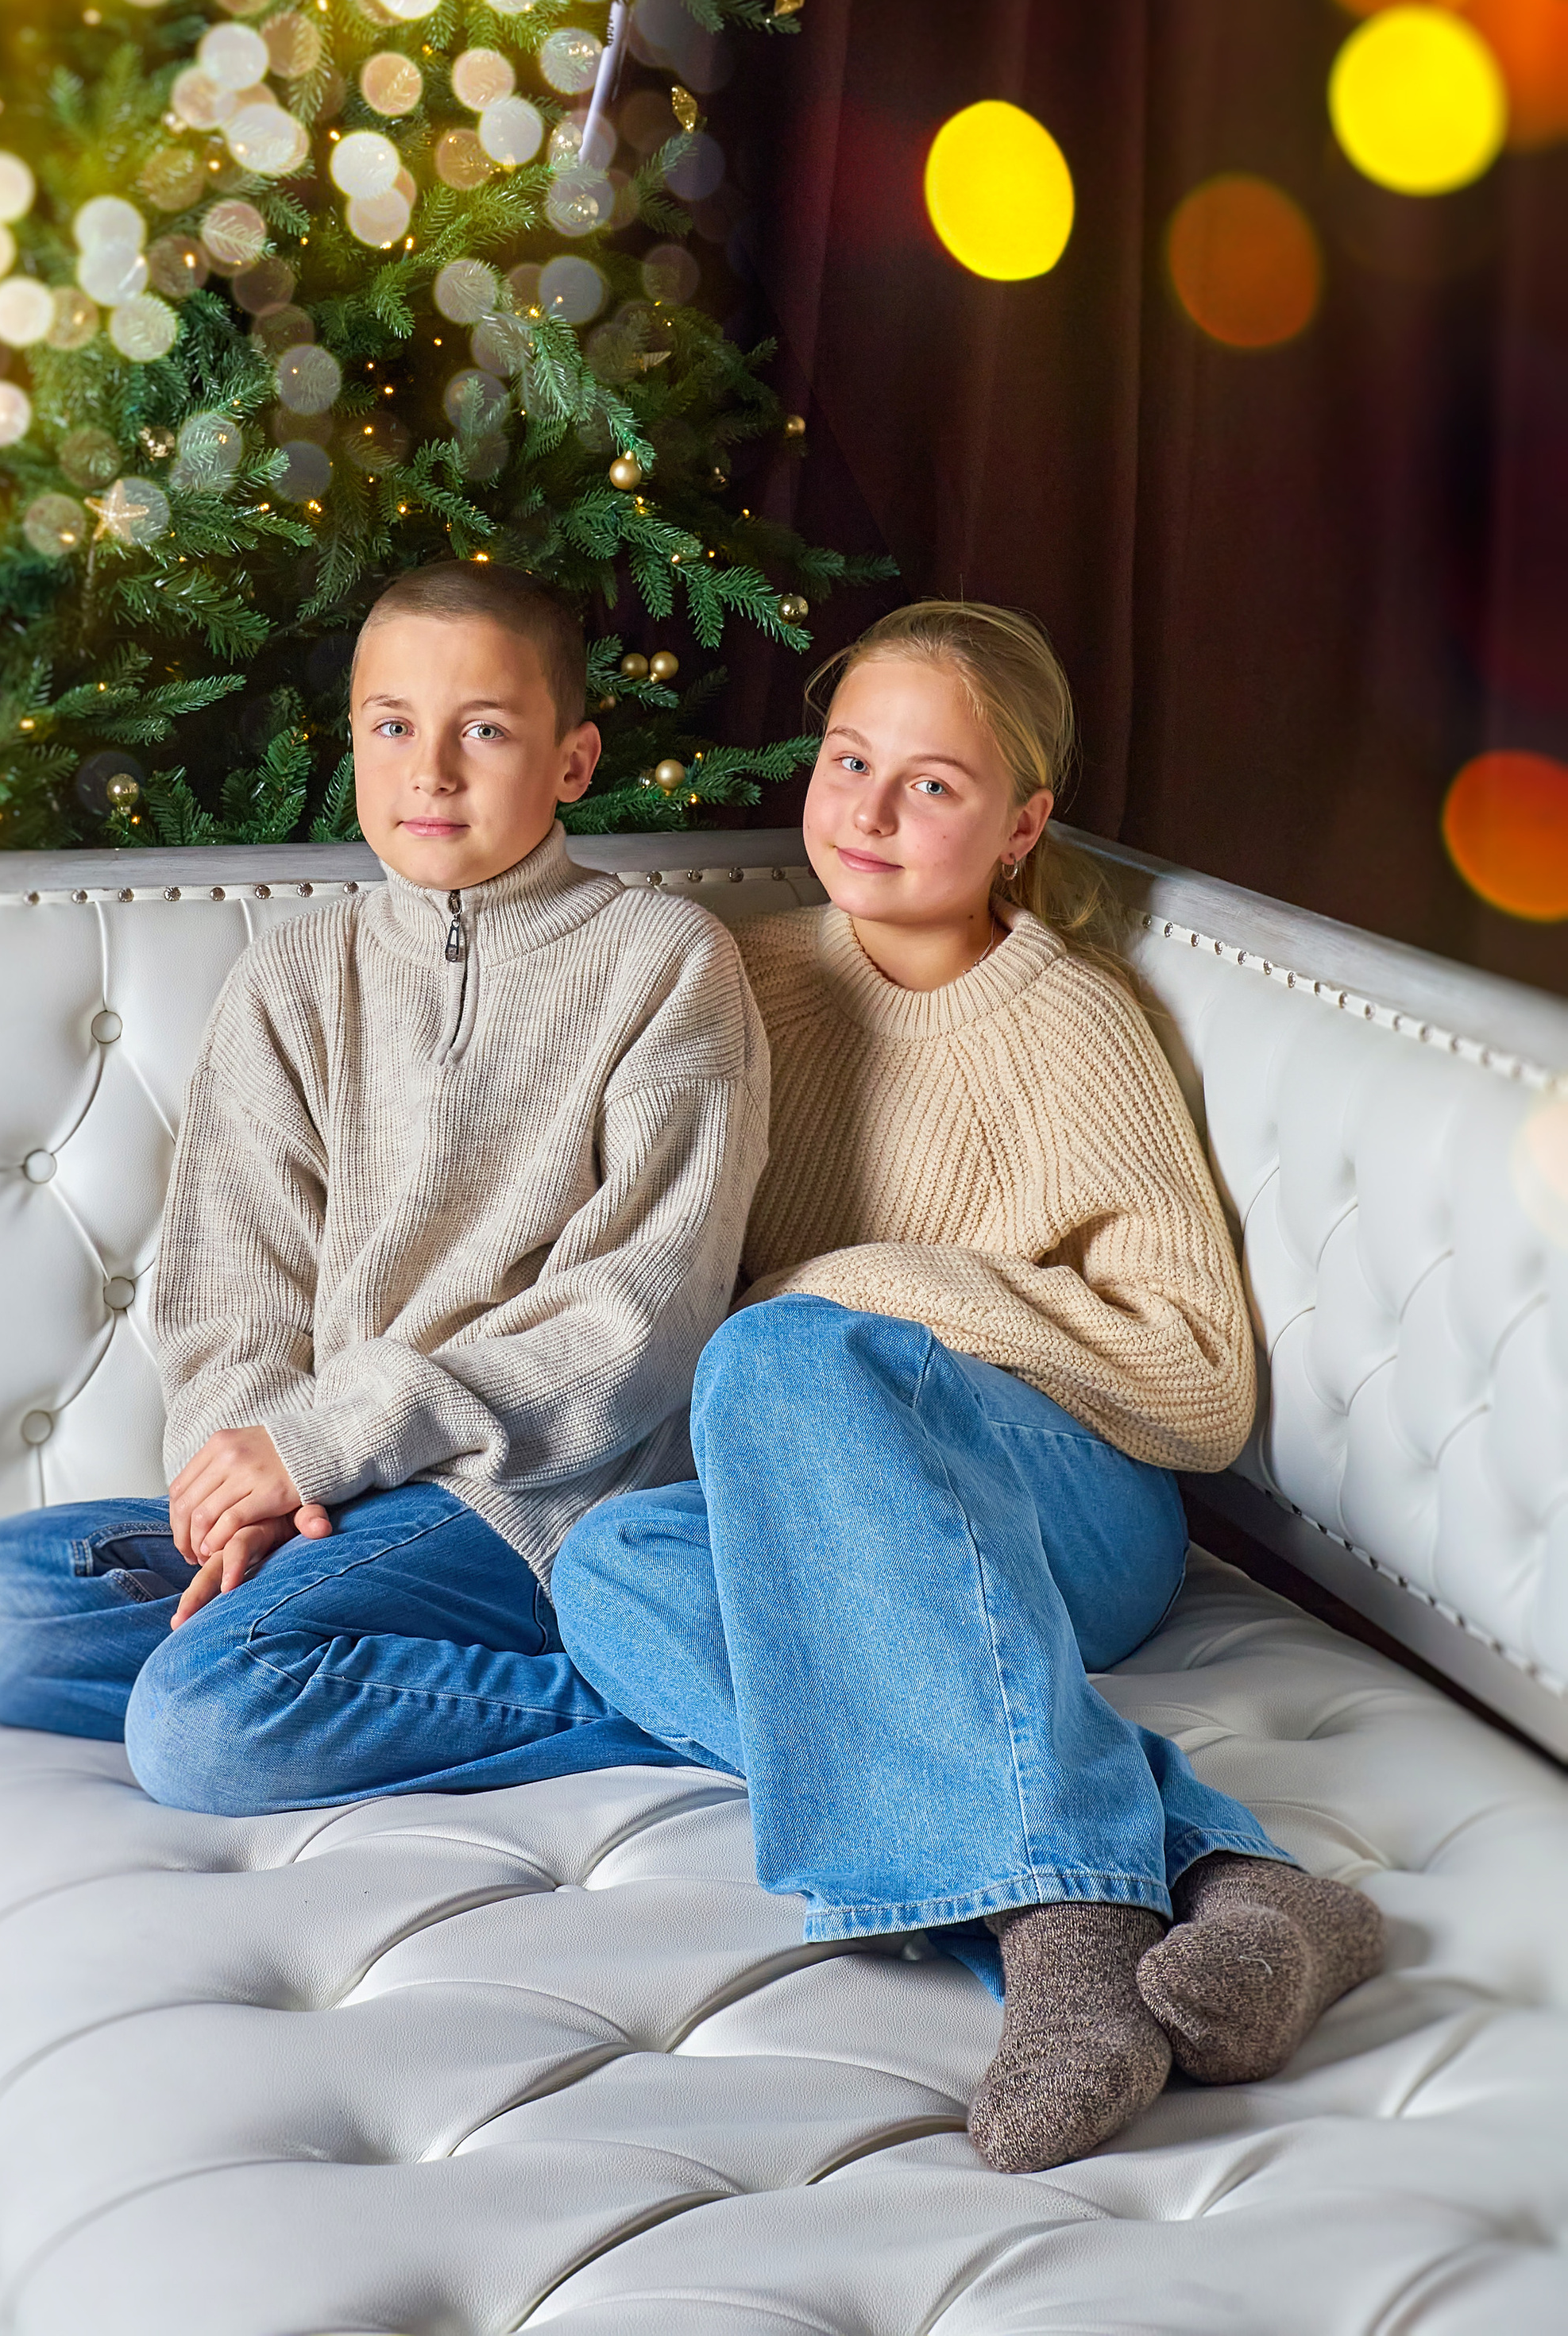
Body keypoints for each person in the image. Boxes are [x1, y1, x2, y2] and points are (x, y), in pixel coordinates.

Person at [550, 600, 1385, 2176]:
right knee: (607, 1569)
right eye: (845, 758)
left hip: (1068, 1504)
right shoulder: (739, 982)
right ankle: (1230, 1881)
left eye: (927, 784)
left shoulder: (1064, 1025)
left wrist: (843, 1289)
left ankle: (1052, 1951)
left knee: (787, 1346)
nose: (862, 809)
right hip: (864, 1529)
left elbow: (1197, 1381)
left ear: (1019, 827)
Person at [0, 560, 768, 1811]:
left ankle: (659, 1694)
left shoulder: (666, 961)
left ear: (573, 761)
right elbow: (232, 1293)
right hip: (326, 1496)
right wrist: (247, 1491)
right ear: (354, 740)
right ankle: (354, 1660)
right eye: (392, 727)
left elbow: (638, 1322)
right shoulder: (293, 976)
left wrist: (326, 1444)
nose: (431, 772)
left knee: (202, 1725)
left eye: (484, 729)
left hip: (525, 1502)